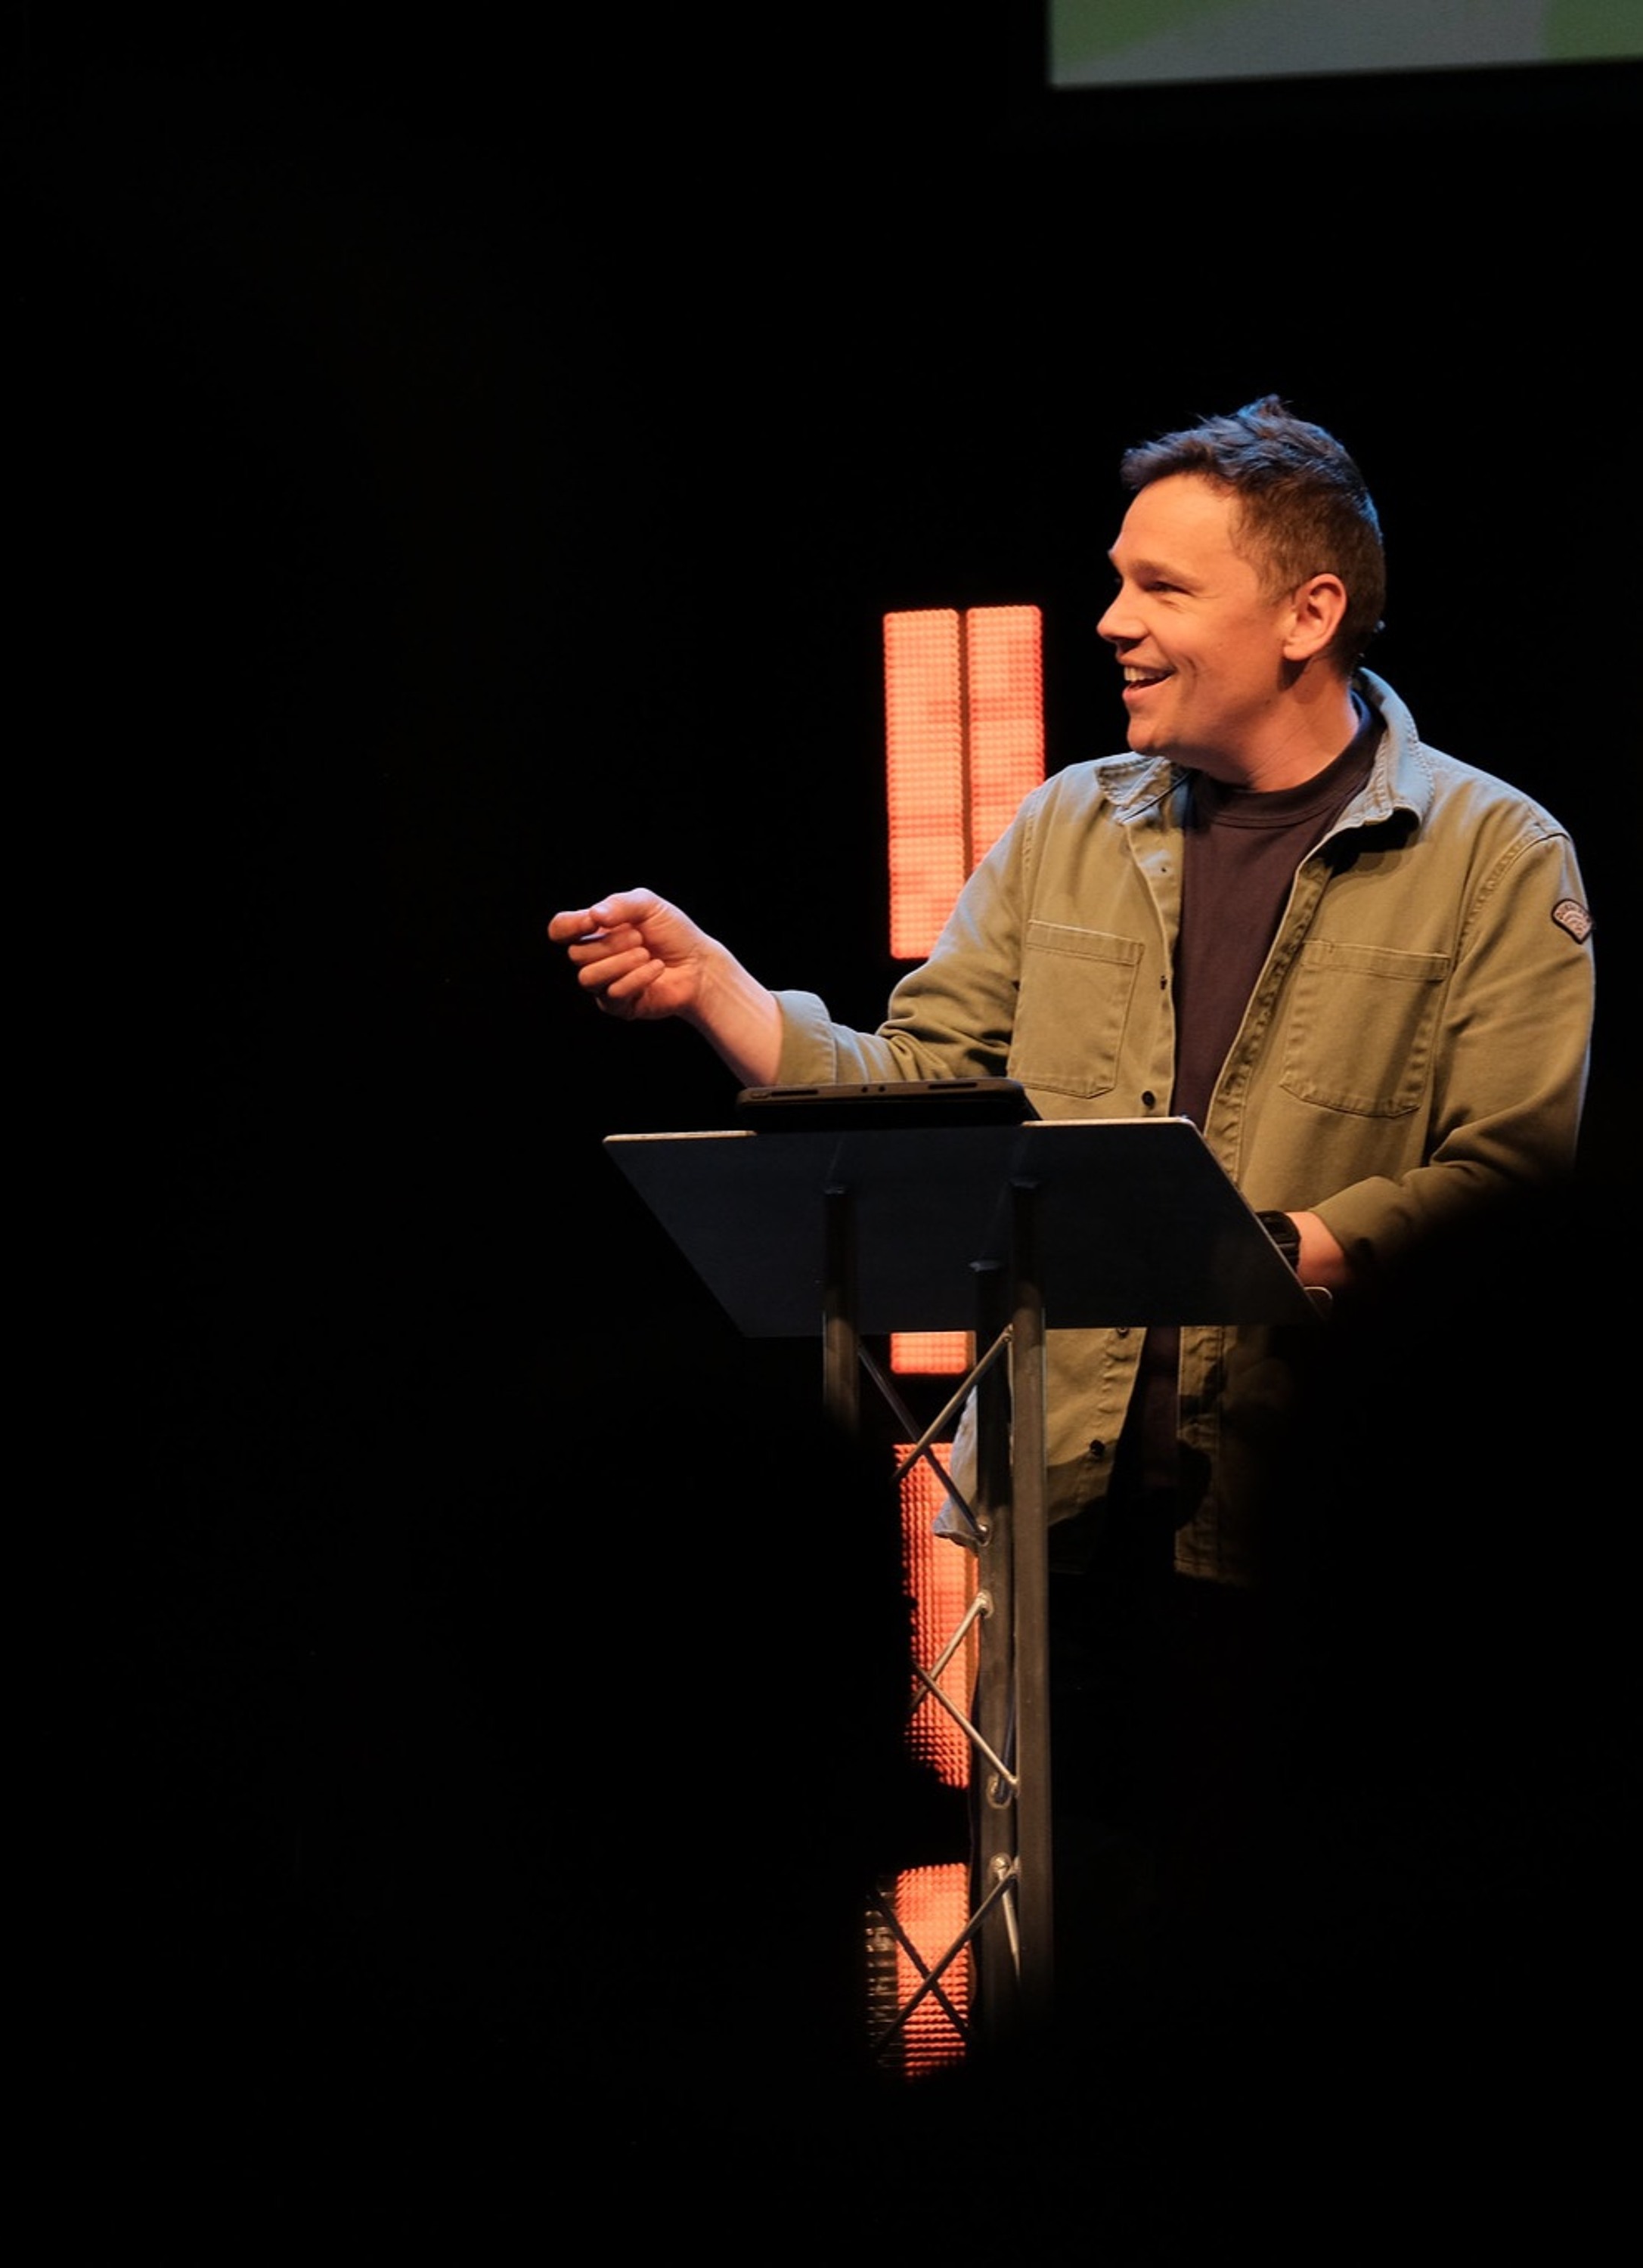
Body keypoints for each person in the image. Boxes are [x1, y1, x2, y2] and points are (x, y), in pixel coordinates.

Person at [547, 396, 1595, 2027]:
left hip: (1304, 1557)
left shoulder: (1493, 854)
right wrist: (724, 995)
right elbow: (923, 1089)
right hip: (1063, 1541)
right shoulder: (1067, 827)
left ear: (1309, 613)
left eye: (1162, 587)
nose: (1112, 619)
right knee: (1079, 1982)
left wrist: (1276, 1254)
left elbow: (1508, 1175)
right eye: (1118, 580)